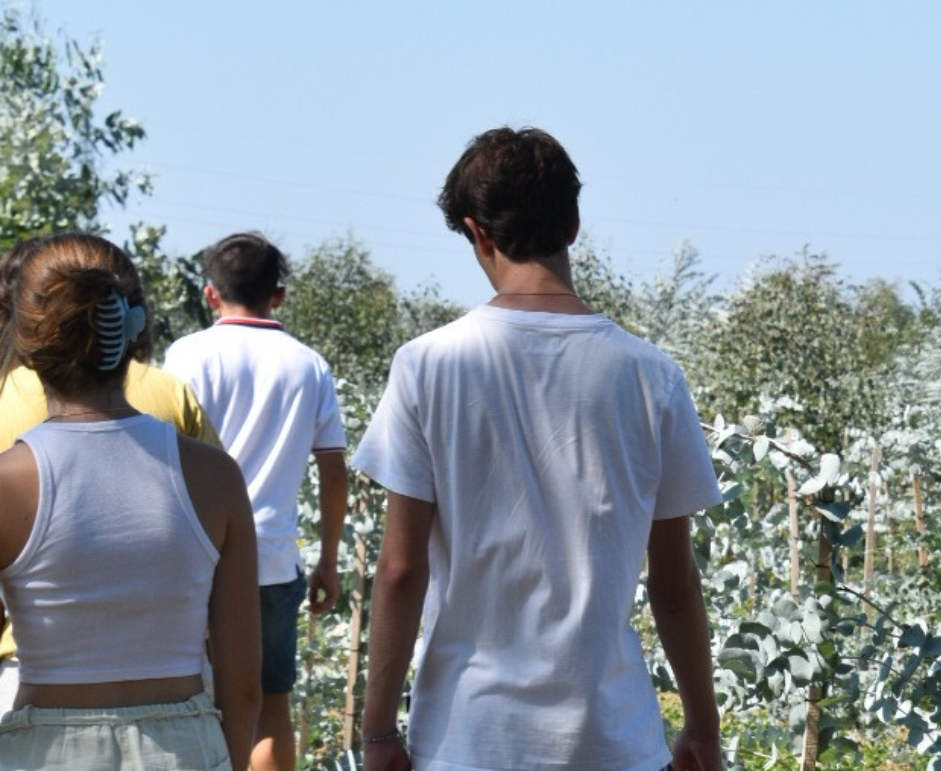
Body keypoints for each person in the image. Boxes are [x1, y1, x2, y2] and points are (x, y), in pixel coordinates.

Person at [355, 126, 724, 771]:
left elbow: (401, 569)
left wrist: (380, 730)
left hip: (468, 737)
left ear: (477, 233)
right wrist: (702, 726)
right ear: (573, 223)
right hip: (611, 738)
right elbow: (673, 583)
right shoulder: (651, 376)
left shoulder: (427, 366)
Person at [0, 232, 260, 770]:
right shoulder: (214, 477)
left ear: (26, 339)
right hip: (186, 748)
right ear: (135, 331)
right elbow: (243, 681)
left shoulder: (9, 482)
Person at [163, 231, 349, 771]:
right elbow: (332, 471)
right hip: (271, 561)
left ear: (209, 294)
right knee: (271, 708)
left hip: (196, 559)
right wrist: (328, 560)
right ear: (279, 295)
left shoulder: (186, 356)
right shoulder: (307, 365)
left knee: (189, 702)